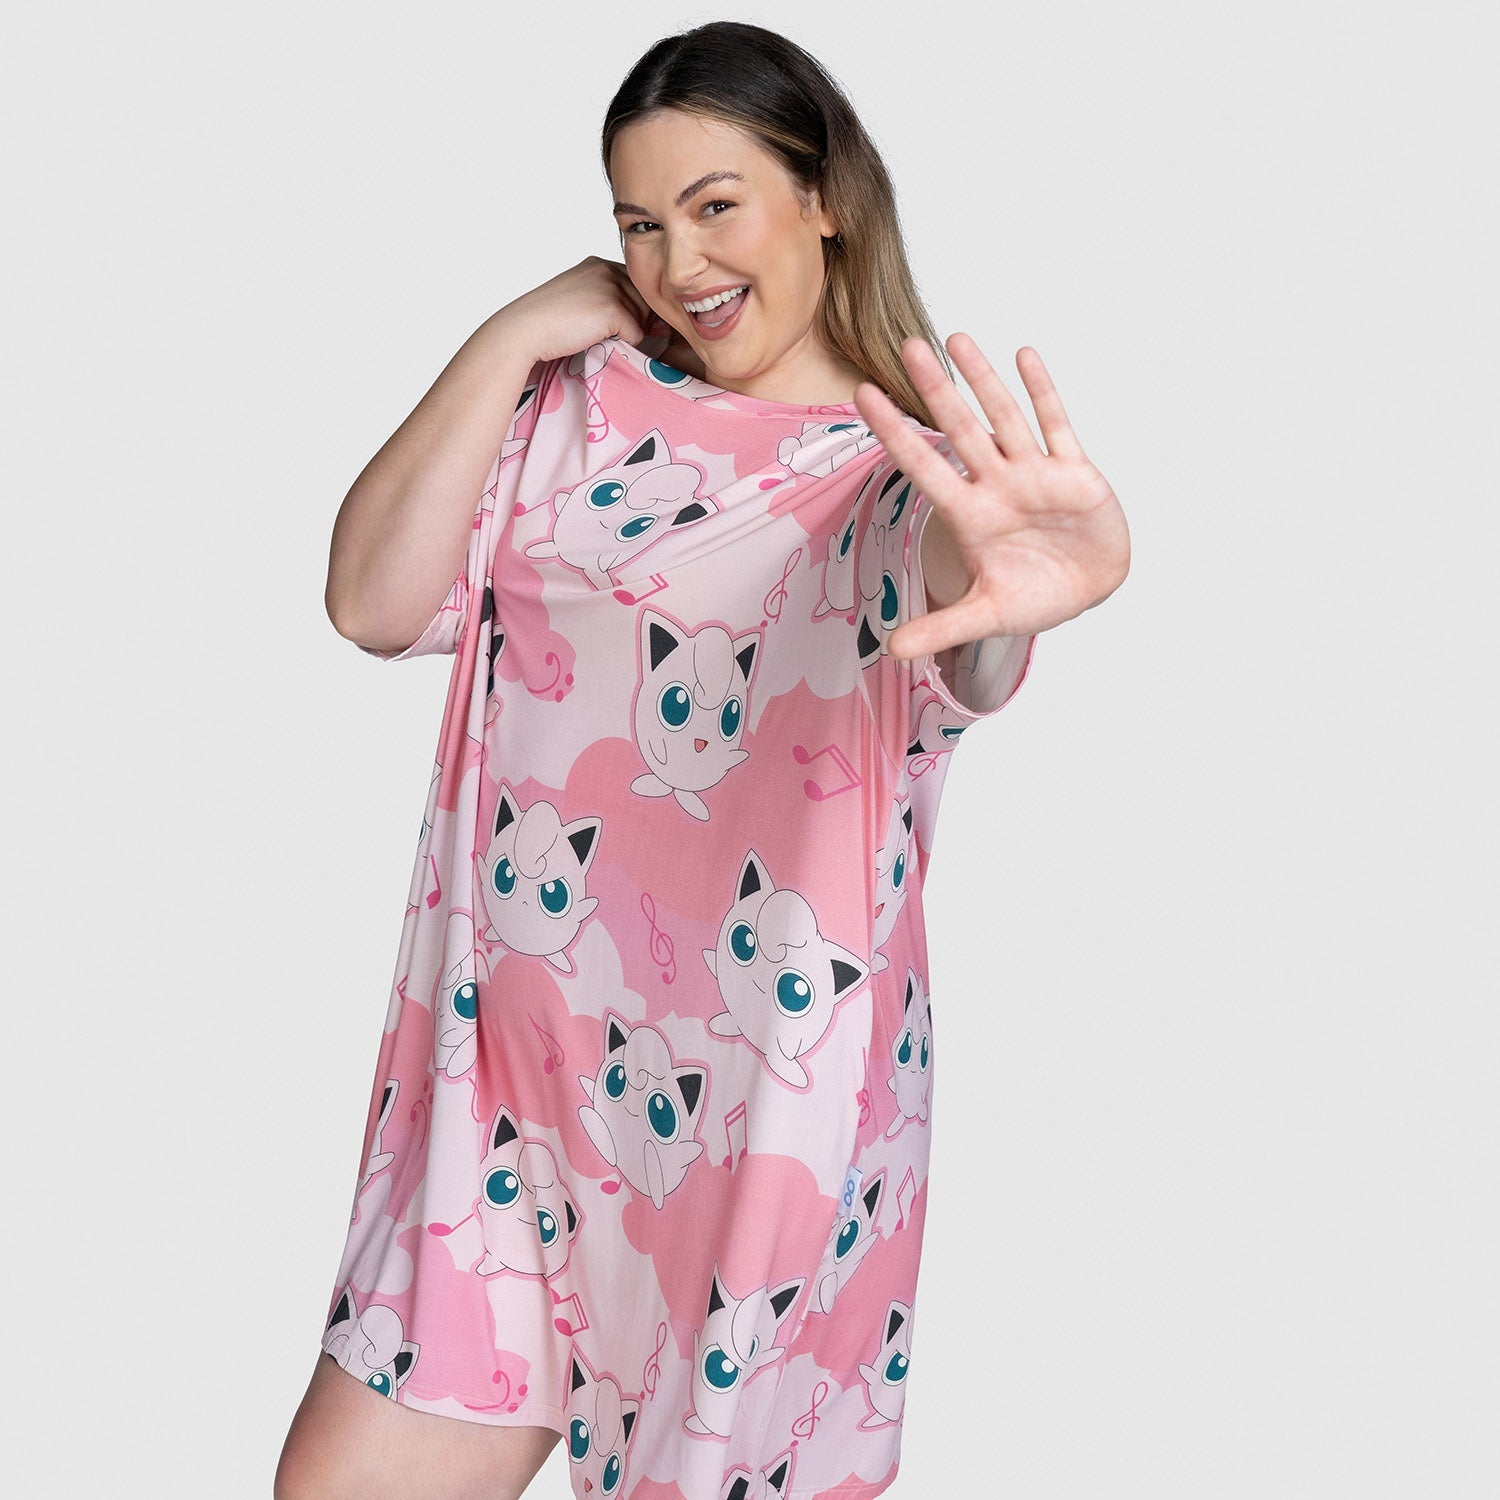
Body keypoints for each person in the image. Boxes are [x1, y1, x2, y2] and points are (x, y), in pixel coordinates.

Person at [275, 20, 1128, 1500]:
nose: (680, 263)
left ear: (825, 198)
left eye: (716, 204)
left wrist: (1015, 584)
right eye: (641, 224)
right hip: (502, 1094)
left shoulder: (891, 478)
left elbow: (954, 625)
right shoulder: (570, 408)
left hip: (759, 1124)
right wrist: (512, 333)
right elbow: (370, 602)